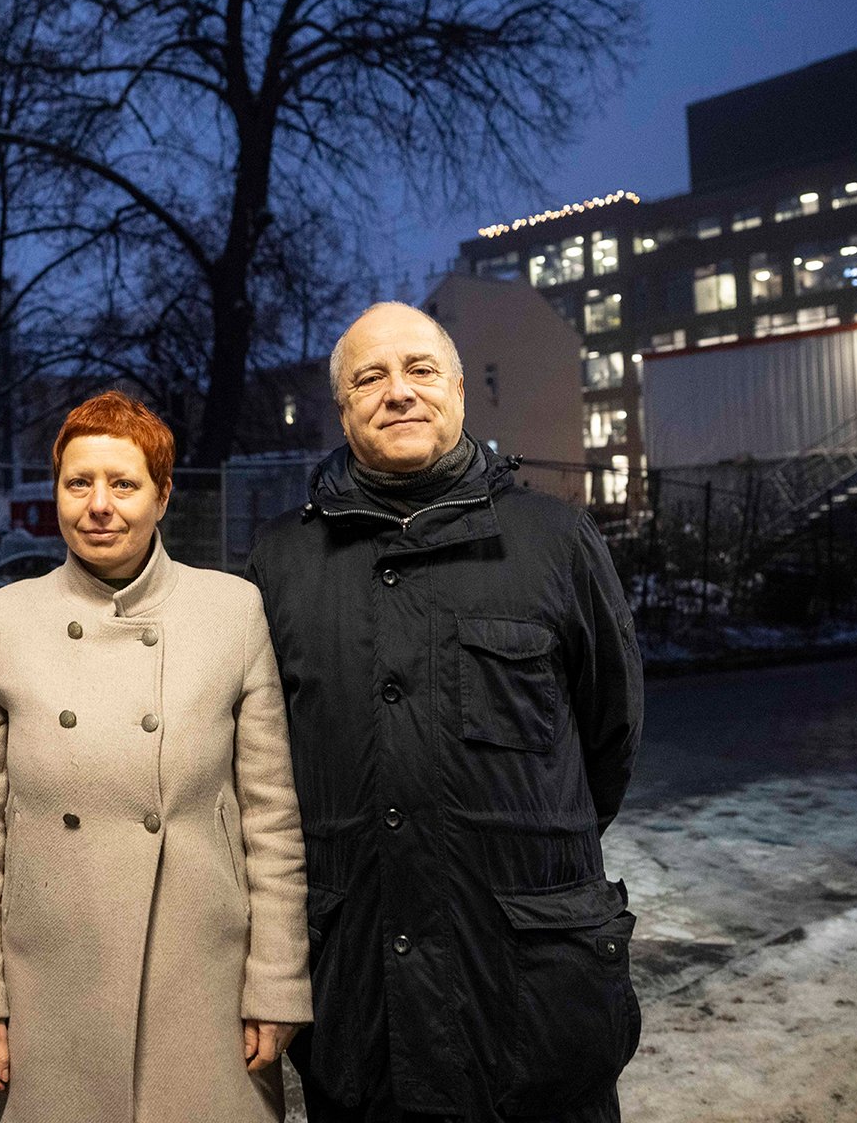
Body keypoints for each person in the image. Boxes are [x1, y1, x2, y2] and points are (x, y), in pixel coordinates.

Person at [246, 302, 644, 1122]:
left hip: (534, 997)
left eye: (420, 369)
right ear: (343, 409)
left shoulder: (555, 541)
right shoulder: (281, 561)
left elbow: (610, 736)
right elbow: (261, 767)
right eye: (370, 378)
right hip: (360, 999)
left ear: (459, 391)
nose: (398, 391)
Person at [0, 391, 313, 1122]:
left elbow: (270, 819)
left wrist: (277, 982)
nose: (99, 506)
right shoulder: (5, 620)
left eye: (124, 484)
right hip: (52, 981)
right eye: (78, 483)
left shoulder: (232, 612)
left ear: (162, 495)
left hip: (201, 977)